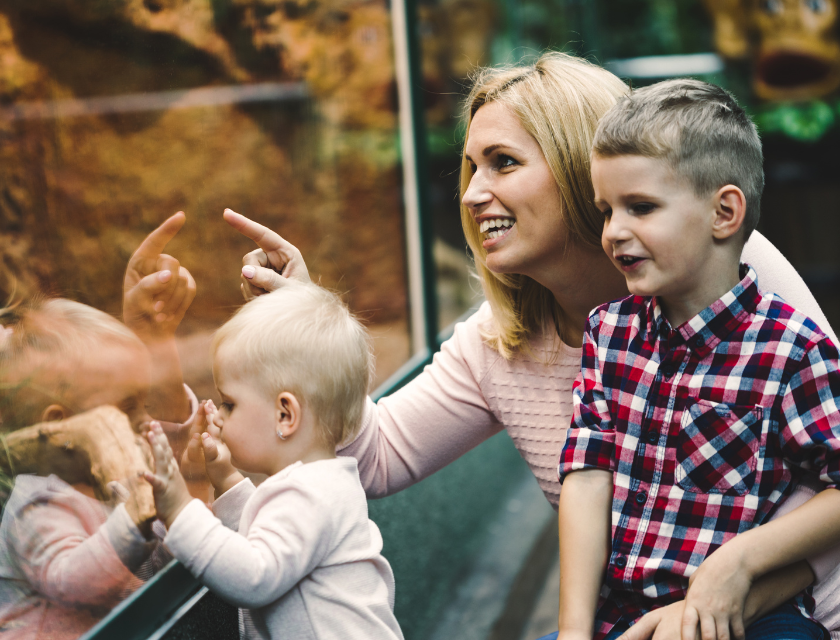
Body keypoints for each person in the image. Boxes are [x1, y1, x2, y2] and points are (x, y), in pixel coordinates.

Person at [222, 52, 840, 636]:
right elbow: (372, 456)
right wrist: (306, 335)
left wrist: (727, 590)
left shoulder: (726, 266)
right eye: (471, 169)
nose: (470, 194)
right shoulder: (501, 342)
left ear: (578, 163)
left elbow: (822, 464)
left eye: (504, 162)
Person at [557, 79, 840, 640]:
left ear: (724, 212)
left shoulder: (793, 349)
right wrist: (571, 630)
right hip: (621, 616)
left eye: (640, 207)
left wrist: (742, 560)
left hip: (748, 617)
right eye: (606, 210)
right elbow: (587, 476)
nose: (614, 231)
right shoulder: (608, 332)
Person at [143, 282, 404, 640]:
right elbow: (272, 532)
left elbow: (254, 575)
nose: (219, 414)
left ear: (285, 415)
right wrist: (226, 478)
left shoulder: (309, 497)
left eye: (230, 403)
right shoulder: (321, 484)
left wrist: (180, 512)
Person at [0, 213, 198, 638]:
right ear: (61, 426)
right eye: (128, 407)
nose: (145, 420)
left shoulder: (111, 478)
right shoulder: (39, 503)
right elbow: (75, 582)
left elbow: (157, 561)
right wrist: (135, 521)